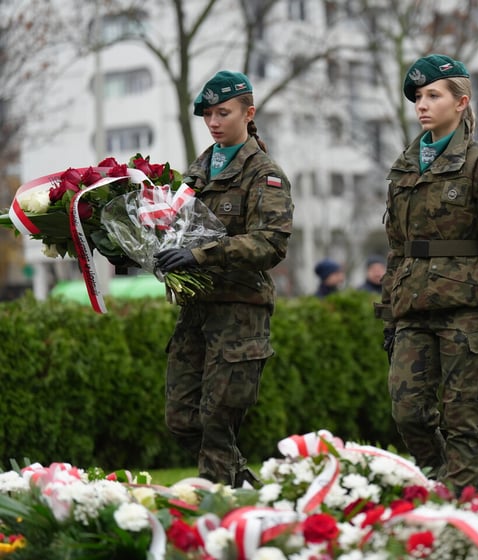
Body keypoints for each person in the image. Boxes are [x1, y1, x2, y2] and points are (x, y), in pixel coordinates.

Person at [375, 54, 478, 496]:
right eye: (418, 98)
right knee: (408, 412)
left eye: (433, 95)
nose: (422, 105)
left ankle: (463, 513)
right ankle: (439, 485)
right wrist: (389, 312)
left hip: (468, 310)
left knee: (463, 419)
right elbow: (396, 247)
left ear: (461, 102)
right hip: (413, 309)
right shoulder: (405, 167)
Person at [153, 70, 294, 487]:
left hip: (239, 312)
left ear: (248, 114)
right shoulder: (195, 174)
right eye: (208, 114)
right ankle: (242, 487)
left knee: (217, 419)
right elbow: (170, 228)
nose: (214, 121)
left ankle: (216, 513)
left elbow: (270, 244)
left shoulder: (264, 174)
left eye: (223, 112)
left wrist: (200, 256)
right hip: (196, 311)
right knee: (181, 419)